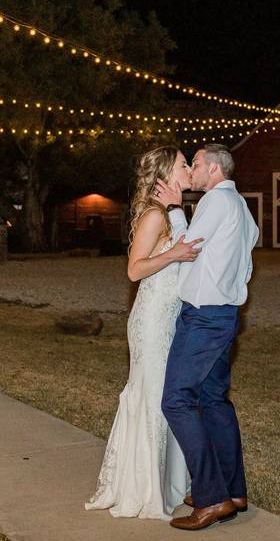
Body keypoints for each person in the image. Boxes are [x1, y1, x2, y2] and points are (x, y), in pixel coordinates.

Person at [85, 146, 200, 520]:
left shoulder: (170, 214)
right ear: (167, 173)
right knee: (150, 398)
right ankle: (144, 488)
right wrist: (173, 255)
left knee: (165, 399)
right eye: (185, 165)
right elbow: (134, 271)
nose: (190, 170)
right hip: (151, 321)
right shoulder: (154, 214)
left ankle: (169, 483)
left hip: (169, 319)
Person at [154, 144, 259, 530]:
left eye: (195, 163)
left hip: (203, 318)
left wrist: (174, 208)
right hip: (226, 315)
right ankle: (233, 490)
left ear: (214, 169)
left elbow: (189, 249)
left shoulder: (216, 202)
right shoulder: (242, 209)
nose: (192, 170)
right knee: (214, 400)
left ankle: (211, 496)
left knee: (177, 400)